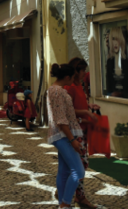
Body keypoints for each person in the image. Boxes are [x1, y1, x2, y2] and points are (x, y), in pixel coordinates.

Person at [47, 63, 85, 209]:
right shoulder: (58, 92)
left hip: (60, 134)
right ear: (67, 77)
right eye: (73, 77)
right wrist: (72, 140)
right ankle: (65, 203)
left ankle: (62, 204)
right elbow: (61, 120)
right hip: (63, 135)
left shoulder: (54, 90)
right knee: (78, 170)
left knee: (64, 171)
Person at [65, 58, 100, 209]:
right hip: (74, 131)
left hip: (83, 129)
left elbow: (80, 104)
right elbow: (68, 111)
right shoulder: (70, 87)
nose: (85, 73)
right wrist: (85, 112)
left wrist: (89, 106)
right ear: (76, 71)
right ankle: (77, 197)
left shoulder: (80, 85)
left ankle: (73, 194)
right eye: (83, 70)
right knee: (81, 164)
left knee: (79, 165)